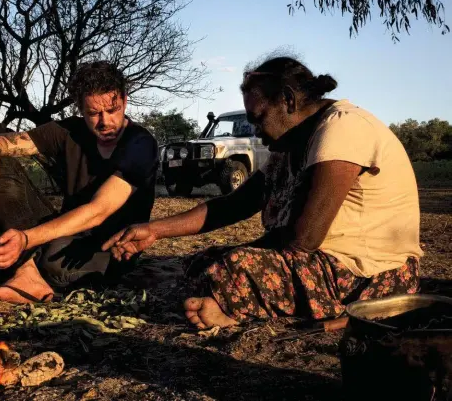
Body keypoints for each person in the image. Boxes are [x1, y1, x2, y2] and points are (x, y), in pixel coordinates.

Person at [105, 56, 422, 330]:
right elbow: (236, 204)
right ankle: (239, 301)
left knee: (231, 266)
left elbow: (305, 238)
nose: (256, 130)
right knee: (202, 263)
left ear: (288, 100)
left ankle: (236, 308)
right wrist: (154, 231)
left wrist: (239, 256)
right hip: (321, 266)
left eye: (259, 118)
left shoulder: (342, 129)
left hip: (368, 277)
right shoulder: (292, 142)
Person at [0, 61, 158, 304]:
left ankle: (30, 268)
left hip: (110, 249)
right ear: (80, 109)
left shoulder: (141, 143)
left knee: (55, 257)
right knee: (2, 165)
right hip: (63, 232)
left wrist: (26, 239)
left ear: (125, 101)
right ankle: (28, 272)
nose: (105, 121)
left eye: (113, 109)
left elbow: (98, 211)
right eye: (94, 113)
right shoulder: (68, 131)